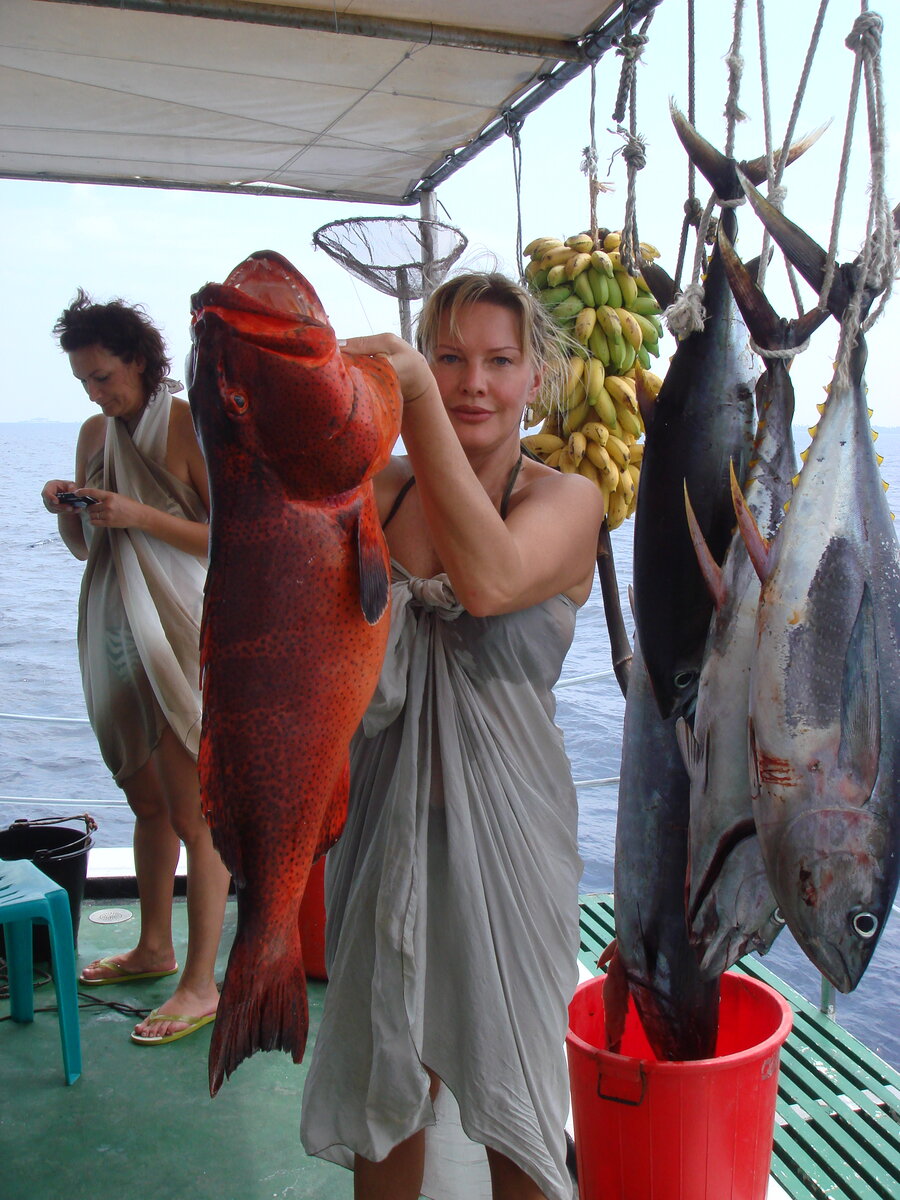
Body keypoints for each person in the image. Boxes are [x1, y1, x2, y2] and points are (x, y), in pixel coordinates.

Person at [299, 273, 604, 1200]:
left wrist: (416, 400)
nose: (475, 382)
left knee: (518, 1099)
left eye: (499, 361)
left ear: (535, 376)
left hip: (512, 845)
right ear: (422, 362)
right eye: (449, 358)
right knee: (382, 1090)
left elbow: (490, 579)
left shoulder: (569, 501)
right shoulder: (375, 496)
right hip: (379, 825)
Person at [41, 290, 231, 1045]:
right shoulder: (96, 433)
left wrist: (138, 514)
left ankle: (202, 981)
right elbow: (86, 549)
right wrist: (70, 508)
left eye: (104, 377)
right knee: (148, 803)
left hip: (180, 628)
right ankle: (154, 947)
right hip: (116, 627)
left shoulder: (188, 428)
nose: (96, 392)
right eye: (85, 380)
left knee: (196, 813)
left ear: (143, 364)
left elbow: (229, 539)